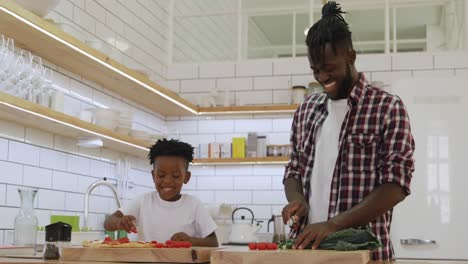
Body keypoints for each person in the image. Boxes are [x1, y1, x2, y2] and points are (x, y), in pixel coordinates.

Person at [281, 1, 415, 260]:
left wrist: (333, 225)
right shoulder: (307, 110)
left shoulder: (386, 107)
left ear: (351, 55)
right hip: (306, 253)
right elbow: (294, 169)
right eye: (315, 70)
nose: (322, 78)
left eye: (329, 68)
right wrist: (296, 198)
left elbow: (396, 185)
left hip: (363, 256)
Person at [104, 139, 218, 247]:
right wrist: (119, 222)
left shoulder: (193, 205)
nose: (167, 181)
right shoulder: (143, 201)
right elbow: (108, 223)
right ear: (153, 175)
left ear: (186, 177)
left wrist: (191, 240)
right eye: (161, 175)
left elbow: (213, 241)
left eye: (176, 176)